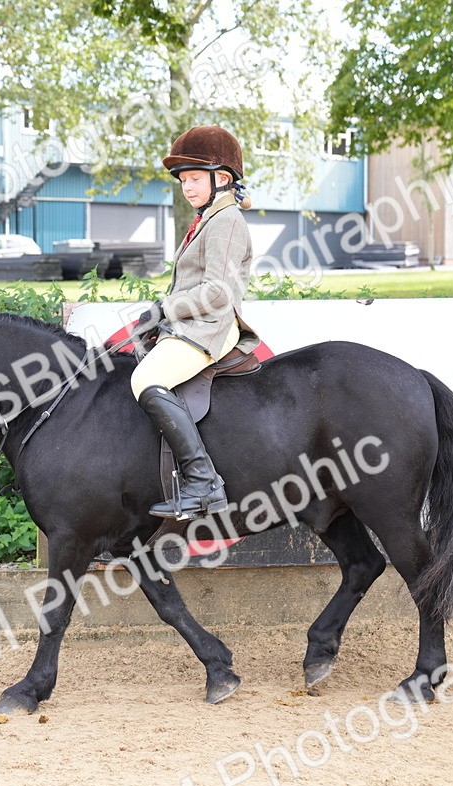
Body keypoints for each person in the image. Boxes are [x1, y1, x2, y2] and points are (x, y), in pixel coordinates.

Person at [130, 125, 260, 520]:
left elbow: (218, 293)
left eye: (194, 179)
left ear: (222, 179)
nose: (186, 187)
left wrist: (165, 309)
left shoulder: (226, 222)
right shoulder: (208, 219)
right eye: (183, 180)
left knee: (144, 380)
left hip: (210, 328)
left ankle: (203, 482)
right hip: (189, 326)